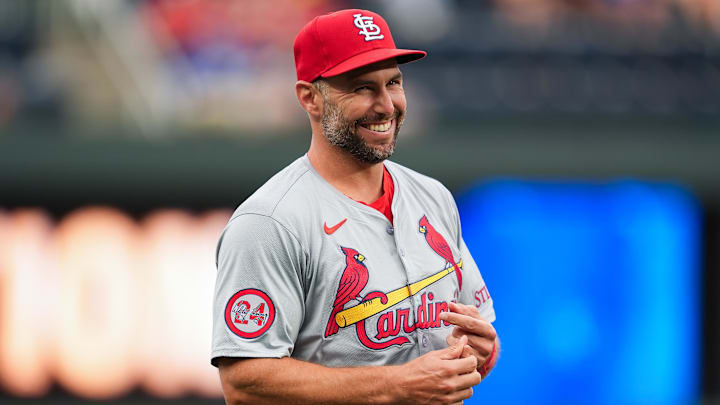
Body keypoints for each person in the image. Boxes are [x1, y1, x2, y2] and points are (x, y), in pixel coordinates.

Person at [212, 9, 499, 405]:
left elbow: (470, 336)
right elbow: (244, 382)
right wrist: (397, 385)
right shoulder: (271, 221)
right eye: (362, 88)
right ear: (310, 98)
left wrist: (478, 353)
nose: (385, 105)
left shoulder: (433, 196)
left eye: (393, 82)